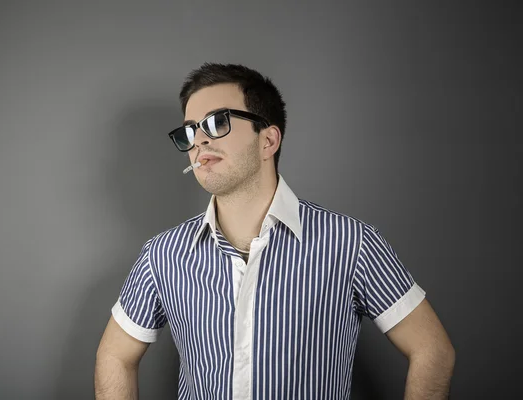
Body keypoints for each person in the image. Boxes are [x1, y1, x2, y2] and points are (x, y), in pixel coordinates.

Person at [95, 63, 455, 399]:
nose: (199, 143)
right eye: (190, 131)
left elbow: (432, 350)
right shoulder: (163, 254)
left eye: (217, 122)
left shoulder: (351, 243)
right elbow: (115, 355)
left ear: (268, 141)